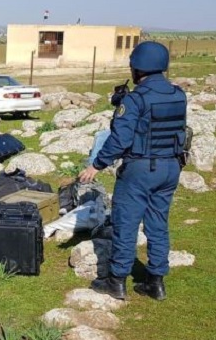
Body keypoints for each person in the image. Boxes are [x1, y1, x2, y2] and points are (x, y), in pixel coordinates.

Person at [78, 41, 187, 301]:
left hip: (140, 169)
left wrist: (97, 164)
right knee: (158, 224)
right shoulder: (178, 94)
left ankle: (116, 281)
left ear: (138, 68)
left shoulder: (135, 100)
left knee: (125, 224)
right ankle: (156, 282)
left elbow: (120, 139)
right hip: (171, 167)